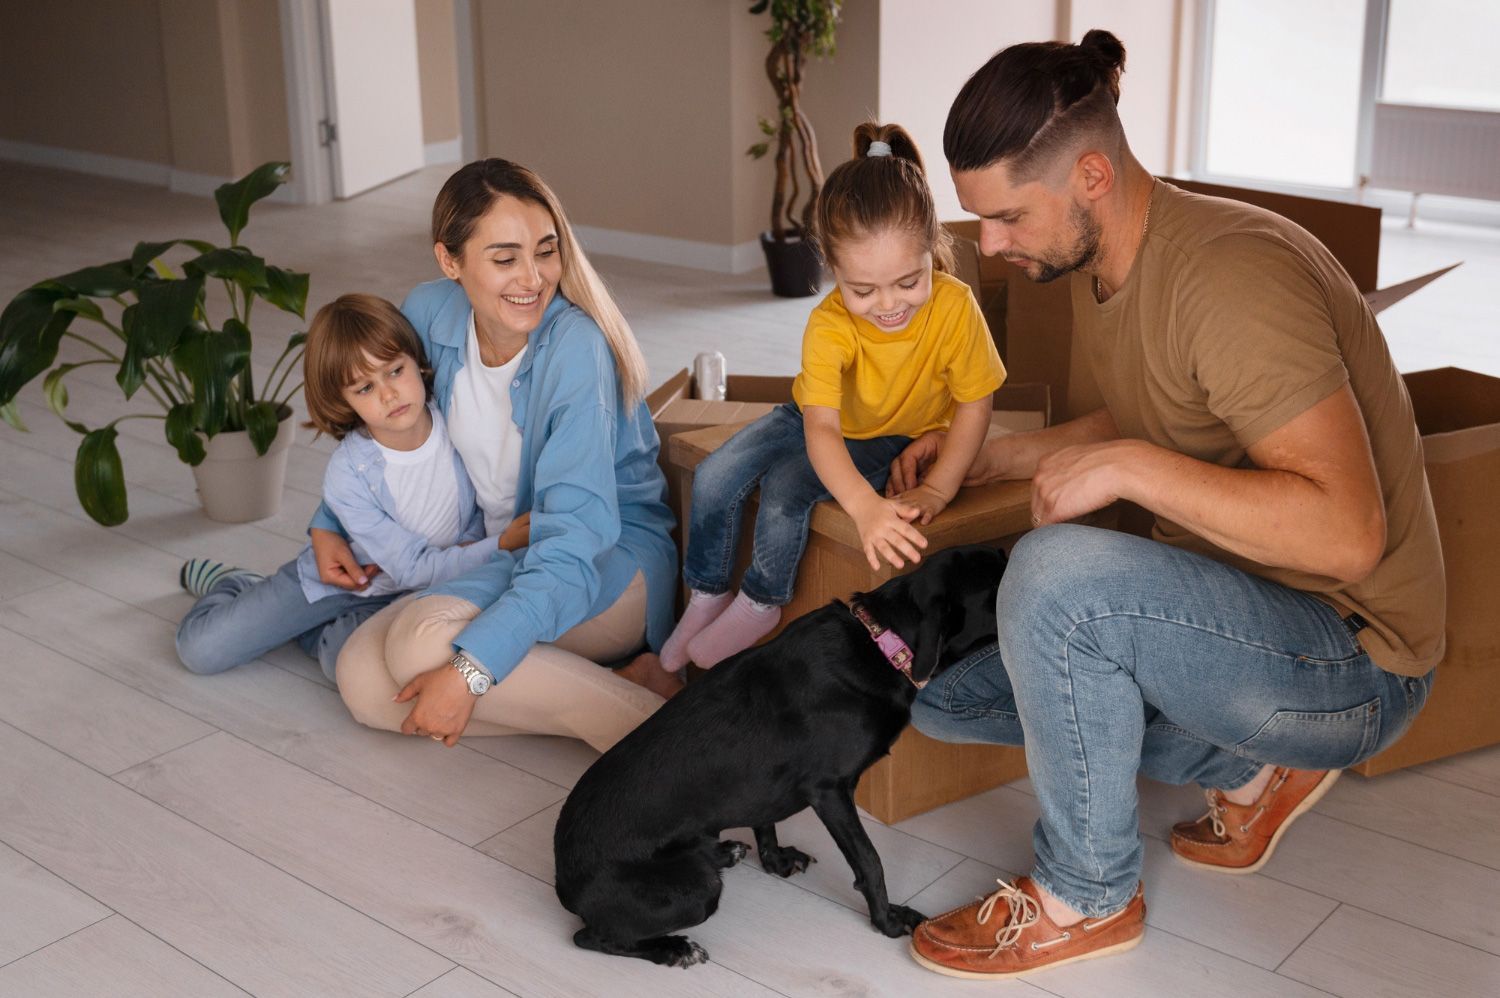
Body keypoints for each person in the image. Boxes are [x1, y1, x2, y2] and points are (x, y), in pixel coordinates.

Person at [892, 30, 1444, 979]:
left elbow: (1349, 538)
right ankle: (1252, 764)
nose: (987, 246)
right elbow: (1157, 406)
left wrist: (1132, 469)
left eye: (1008, 218)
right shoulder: (1100, 256)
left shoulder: (1232, 281)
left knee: (1057, 577)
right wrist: (997, 457)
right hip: (1247, 619)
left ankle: (1084, 897)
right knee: (939, 695)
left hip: (1355, 658)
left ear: (1093, 176)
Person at [312, 159, 680, 752]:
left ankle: (662, 742)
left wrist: (470, 674)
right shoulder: (431, 311)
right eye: (505, 258)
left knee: (420, 649)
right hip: (507, 548)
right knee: (360, 677)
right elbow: (389, 420)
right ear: (449, 261)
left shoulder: (576, 351)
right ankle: (626, 686)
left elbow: (572, 544)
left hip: (604, 562)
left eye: (546, 251)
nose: (532, 279)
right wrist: (327, 519)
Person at [659, 123, 1006, 672]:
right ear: (832, 270)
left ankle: (761, 601)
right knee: (716, 475)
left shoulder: (956, 306)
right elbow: (819, 427)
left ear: (931, 249)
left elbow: (975, 403)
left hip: (888, 433)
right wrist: (865, 508)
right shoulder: (828, 324)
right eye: (863, 290)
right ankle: (706, 594)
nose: (889, 305)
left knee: (785, 491)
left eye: (908, 282)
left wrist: (939, 488)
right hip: (816, 417)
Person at [174, 294, 527, 681]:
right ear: (342, 401)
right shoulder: (349, 472)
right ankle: (236, 583)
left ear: (417, 360)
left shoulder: (456, 420)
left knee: (344, 663)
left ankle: (307, 631)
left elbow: (476, 508)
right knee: (202, 650)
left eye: (394, 371)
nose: (388, 394)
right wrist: (499, 545)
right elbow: (414, 566)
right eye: (364, 388)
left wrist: (475, 543)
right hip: (339, 582)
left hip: (407, 594)